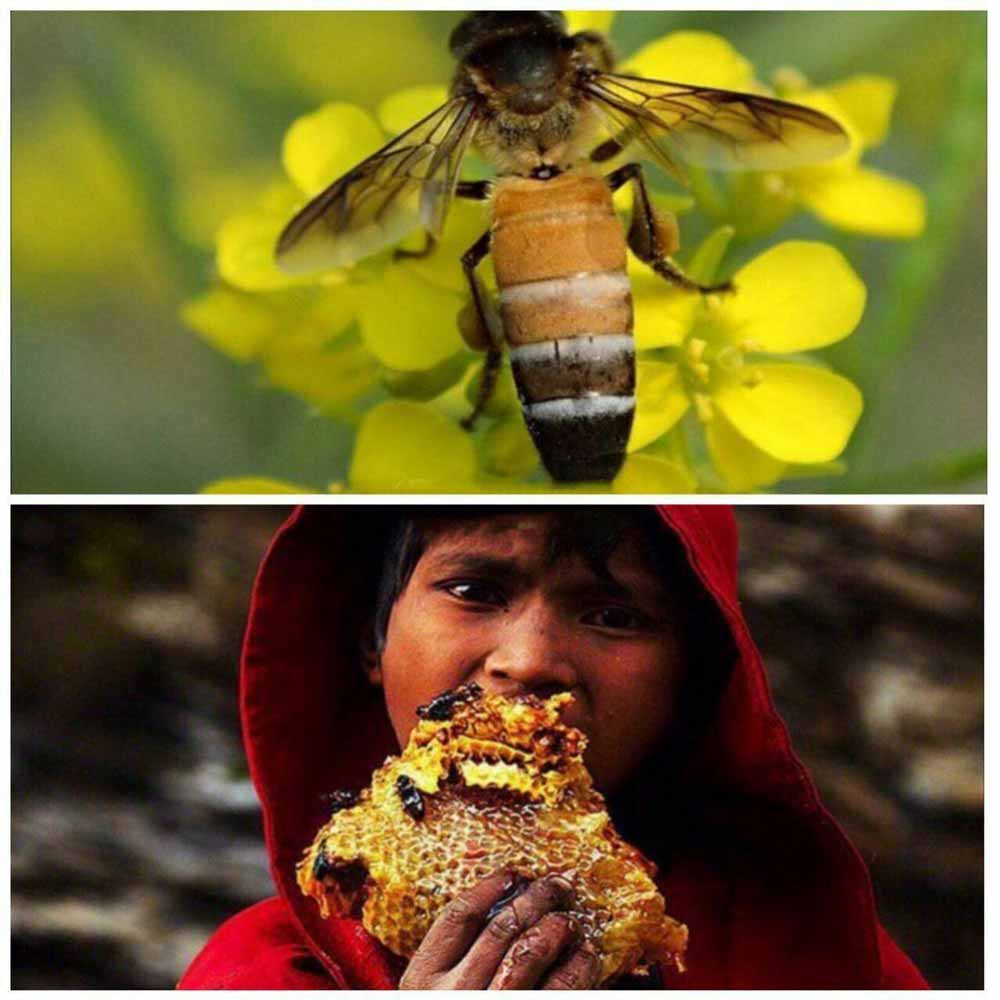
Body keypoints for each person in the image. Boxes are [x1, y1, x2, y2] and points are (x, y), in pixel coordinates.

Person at [178, 506, 927, 989]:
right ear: (371, 639)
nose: (529, 661)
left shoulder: (818, 962)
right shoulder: (261, 971)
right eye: (474, 591)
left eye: (611, 614)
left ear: (692, 685)